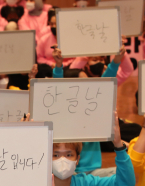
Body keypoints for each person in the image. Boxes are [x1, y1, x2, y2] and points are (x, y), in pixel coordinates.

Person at [51, 46, 126, 176]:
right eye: (81, 83)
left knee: (121, 174)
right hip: (69, 172)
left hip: (93, 172)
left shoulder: (93, 107)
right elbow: (57, 86)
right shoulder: (63, 112)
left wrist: (116, 60)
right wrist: (58, 66)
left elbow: (105, 83)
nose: (86, 87)